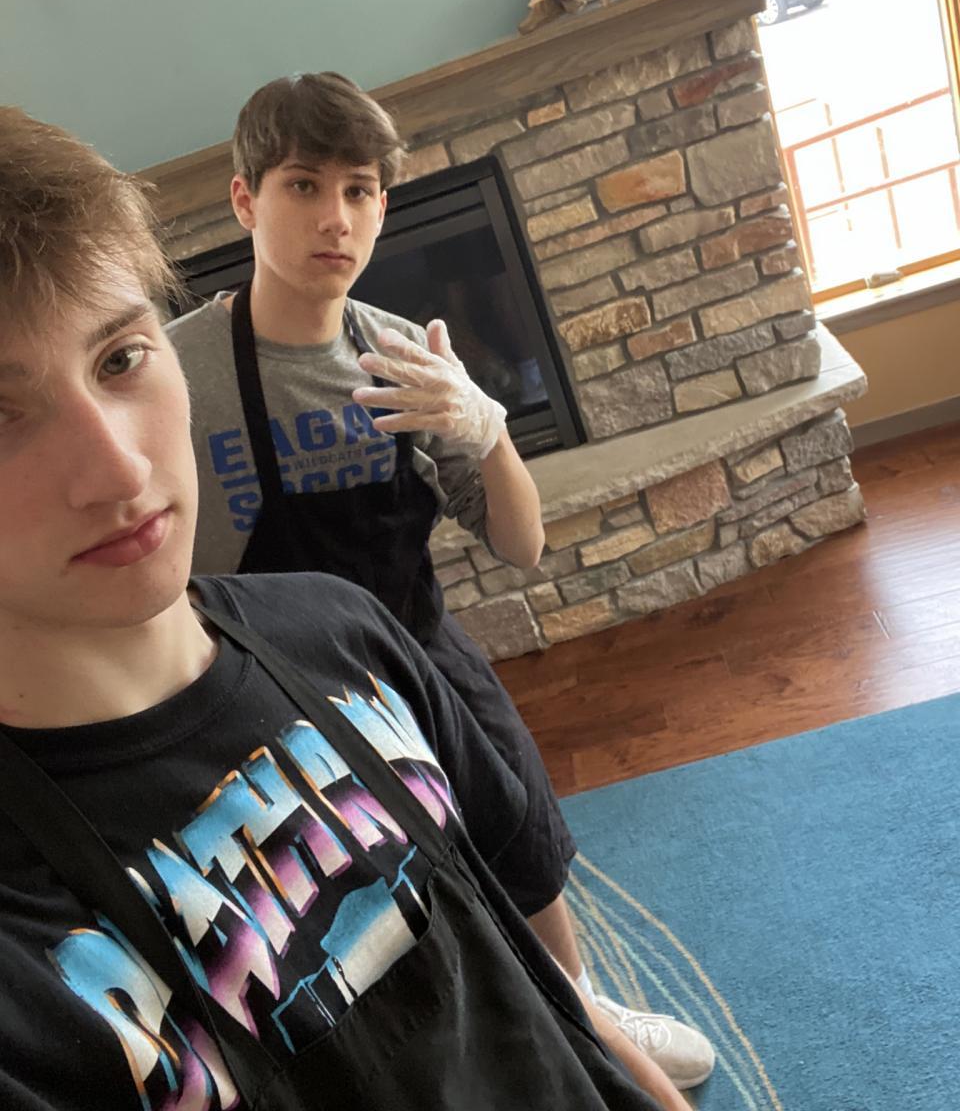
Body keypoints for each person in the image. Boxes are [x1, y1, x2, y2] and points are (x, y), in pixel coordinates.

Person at [0, 107, 701, 1109]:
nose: (119, 468)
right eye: (303, 185)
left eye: (119, 359)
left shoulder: (345, 588)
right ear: (246, 201)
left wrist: (485, 427)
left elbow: (521, 543)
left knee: (523, 845)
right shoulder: (28, 958)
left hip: (391, 645)